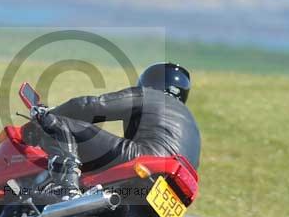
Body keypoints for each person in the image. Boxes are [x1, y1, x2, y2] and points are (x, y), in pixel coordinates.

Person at [30, 62, 201, 198]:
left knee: (60, 123)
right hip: (178, 183)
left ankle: (67, 189)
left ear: (150, 82)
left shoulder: (149, 94)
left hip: (145, 158)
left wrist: (49, 114)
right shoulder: (192, 124)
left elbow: (93, 106)